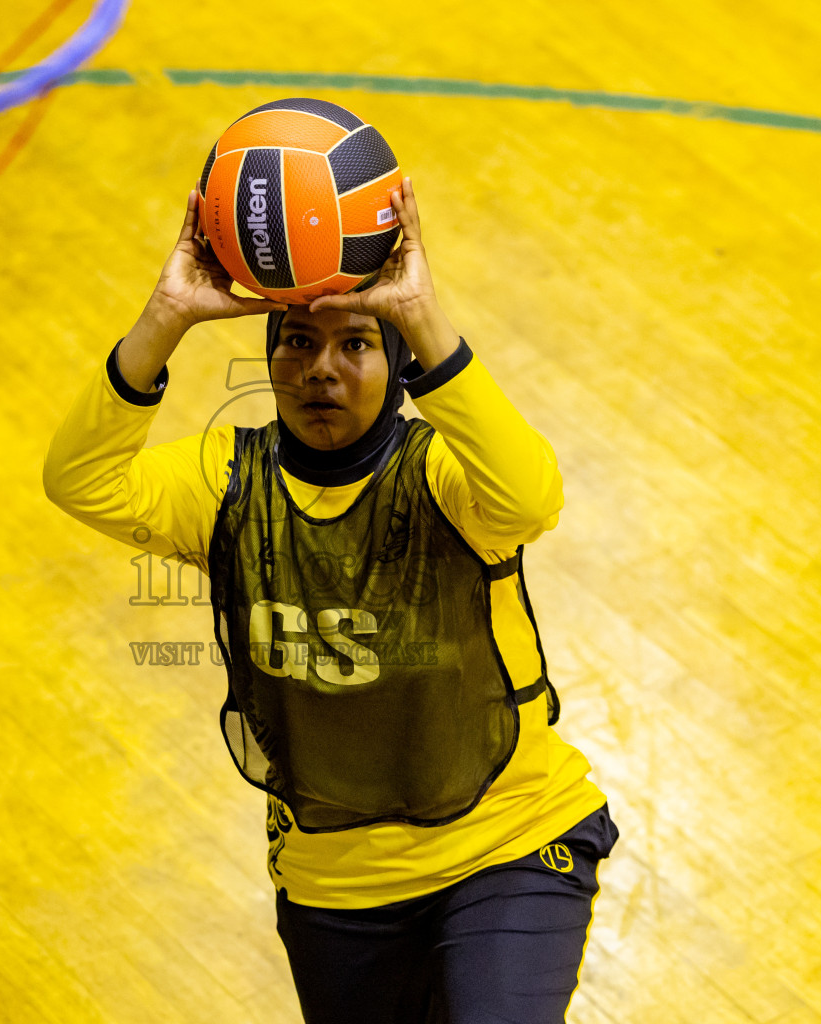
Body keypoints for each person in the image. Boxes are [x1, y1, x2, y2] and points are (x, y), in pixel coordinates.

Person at [43, 175, 618, 1023]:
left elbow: (531, 500)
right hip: (335, 884)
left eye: (356, 345)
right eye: (297, 344)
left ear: (397, 367)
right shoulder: (221, 484)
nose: (321, 370)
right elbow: (80, 481)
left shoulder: (443, 478)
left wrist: (423, 315)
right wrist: (166, 317)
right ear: (268, 357)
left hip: (510, 842)